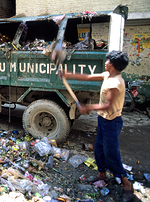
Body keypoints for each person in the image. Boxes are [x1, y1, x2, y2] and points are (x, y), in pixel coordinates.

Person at [59, 50, 133, 202]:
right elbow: (87, 77)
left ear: (113, 64)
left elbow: (108, 105)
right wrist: (68, 74)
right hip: (103, 120)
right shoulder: (108, 75)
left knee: (111, 153)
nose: (105, 62)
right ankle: (101, 174)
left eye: (108, 60)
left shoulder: (115, 83)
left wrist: (88, 107)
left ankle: (126, 184)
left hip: (112, 122)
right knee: (99, 148)